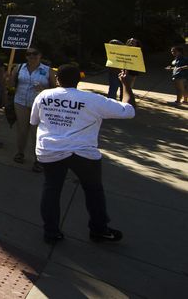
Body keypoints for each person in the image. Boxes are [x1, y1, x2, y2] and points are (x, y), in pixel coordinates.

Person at [32, 63, 135, 243]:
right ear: (79, 80)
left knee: (51, 189)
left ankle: (51, 232)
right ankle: (99, 229)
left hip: (50, 150)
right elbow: (128, 111)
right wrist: (126, 85)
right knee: (93, 190)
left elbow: (34, 121)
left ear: (57, 80)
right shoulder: (93, 100)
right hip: (83, 153)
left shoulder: (44, 95)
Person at [8, 47, 56, 171]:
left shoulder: (47, 70)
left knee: (36, 133)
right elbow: (11, 85)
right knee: (22, 130)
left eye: (35, 53)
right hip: (20, 102)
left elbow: (56, 91)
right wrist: (8, 78)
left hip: (39, 105)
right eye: (28, 54)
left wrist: (44, 89)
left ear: (40, 55)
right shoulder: (19, 68)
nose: (31, 56)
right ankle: (20, 153)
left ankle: (38, 159)